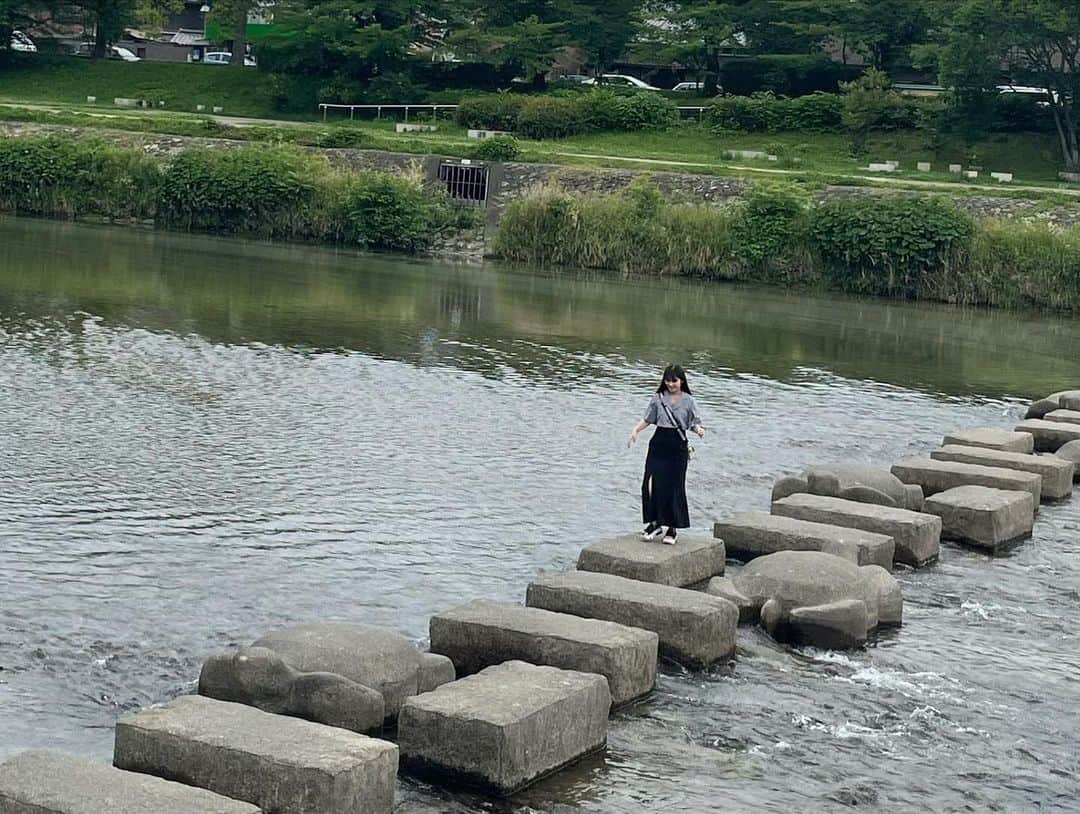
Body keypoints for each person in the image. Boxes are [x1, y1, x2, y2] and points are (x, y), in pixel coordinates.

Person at [628, 364, 705, 545]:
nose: (671, 384)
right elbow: (648, 419)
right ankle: (654, 523)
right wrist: (635, 431)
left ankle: (672, 527)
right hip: (658, 444)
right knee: (650, 483)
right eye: (668, 381)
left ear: (682, 381)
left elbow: (692, 424)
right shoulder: (658, 398)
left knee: (674, 486)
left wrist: (699, 430)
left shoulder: (688, 400)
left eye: (674, 381)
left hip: (677, 446)